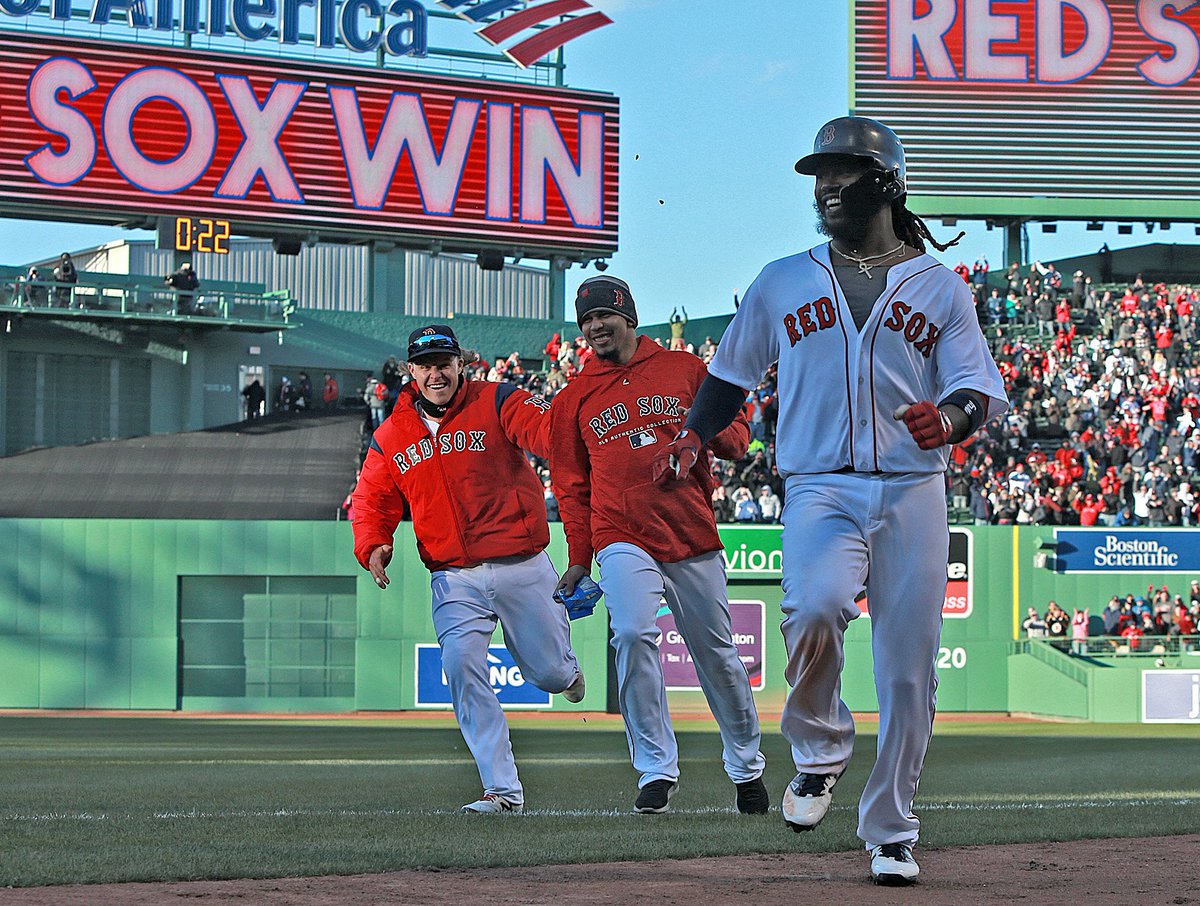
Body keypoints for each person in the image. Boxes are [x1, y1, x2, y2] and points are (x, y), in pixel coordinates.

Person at [672, 116, 1007, 885]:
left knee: (906, 675)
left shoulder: (941, 287)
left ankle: (891, 830)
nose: (824, 184)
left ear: (886, 182)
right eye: (819, 172)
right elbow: (729, 374)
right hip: (819, 484)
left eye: (843, 170)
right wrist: (695, 436)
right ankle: (819, 752)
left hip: (914, 491)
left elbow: (976, 392)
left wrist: (948, 419)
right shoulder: (783, 278)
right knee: (815, 609)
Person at [549, 275, 768, 817]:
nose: (595, 326)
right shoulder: (575, 397)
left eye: (603, 315)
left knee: (717, 656)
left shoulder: (685, 369)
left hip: (691, 533)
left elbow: (738, 440)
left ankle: (747, 767)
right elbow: (572, 488)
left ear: (628, 316)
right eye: (586, 320)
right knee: (631, 632)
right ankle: (655, 769)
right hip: (620, 535)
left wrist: (697, 433)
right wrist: (579, 557)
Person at [351, 324, 584, 814]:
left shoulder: (499, 399)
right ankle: (502, 792)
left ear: (461, 364)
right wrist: (373, 542)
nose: (435, 373)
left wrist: (563, 435)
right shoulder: (392, 435)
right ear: (410, 371)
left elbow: (543, 431)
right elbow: (372, 497)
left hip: (521, 562)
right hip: (453, 576)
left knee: (547, 673)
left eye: (443, 363)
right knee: (460, 665)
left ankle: (565, 672)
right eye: (425, 365)